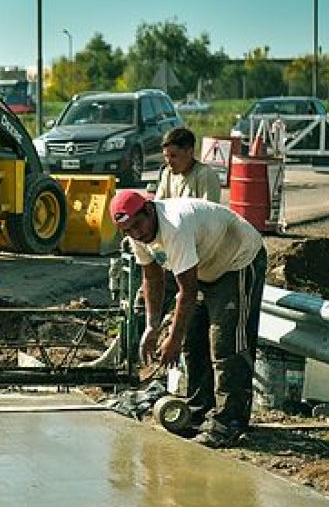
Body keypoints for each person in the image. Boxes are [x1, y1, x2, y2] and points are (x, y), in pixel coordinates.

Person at [110, 190, 267, 447]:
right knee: (193, 340)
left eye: (138, 225)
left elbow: (188, 291)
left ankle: (230, 422)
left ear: (149, 210)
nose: (136, 234)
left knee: (226, 343)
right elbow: (152, 278)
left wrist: (172, 337)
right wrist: (152, 326)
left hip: (237, 259)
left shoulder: (174, 226)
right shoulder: (138, 235)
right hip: (205, 267)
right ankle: (198, 410)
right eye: (128, 230)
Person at [155, 127, 221, 203]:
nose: (168, 161)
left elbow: (209, 211)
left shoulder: (205, 175)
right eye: (166, 156)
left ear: (189, 152)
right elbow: (158, 207)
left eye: (173, 156)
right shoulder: (167, 174)